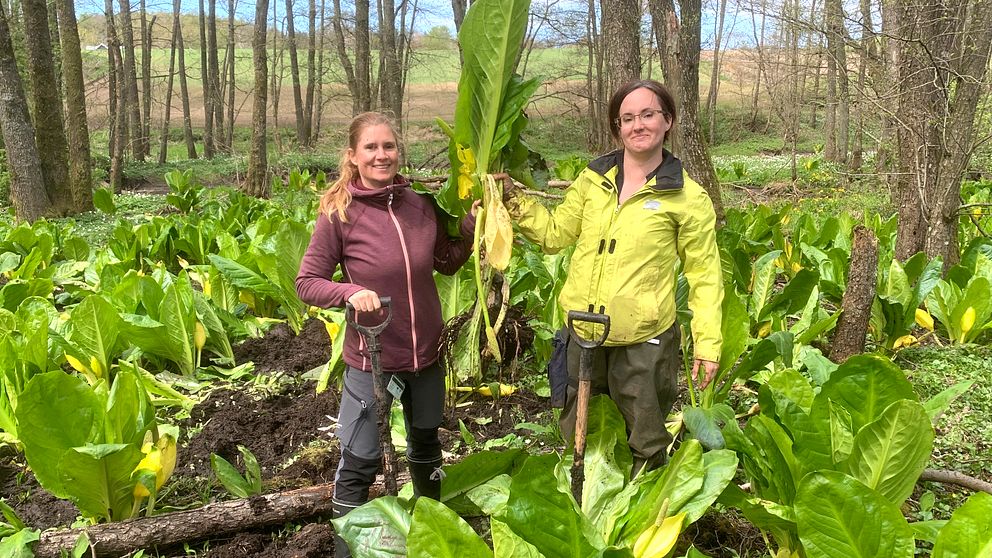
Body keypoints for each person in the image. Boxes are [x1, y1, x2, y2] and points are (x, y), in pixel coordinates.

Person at [503, 79, 723, 475]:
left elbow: (704, 275)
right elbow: (555, 234)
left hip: (643, 338)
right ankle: (587, 504)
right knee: (581, 433)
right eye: (627, 118)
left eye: (647, 114)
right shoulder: (593, 180)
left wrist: (707, 344)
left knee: (645, 433)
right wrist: (512, 201)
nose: (638, 125)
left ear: (667, 121)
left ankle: (641, 512)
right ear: (617, 127)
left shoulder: (687, 196)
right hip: (583, 331)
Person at [295, 112, 477, 558]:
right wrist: (350, 291)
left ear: (399, 151)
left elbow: (448, 261)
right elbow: (307, 282)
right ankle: (345, 547)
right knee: (359, 459)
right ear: (353, 156)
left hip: (426, 355)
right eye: (371, 148)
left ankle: (429, 532)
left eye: (389, 146)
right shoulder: (339, 213)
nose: (382, 155)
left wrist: (472, 227)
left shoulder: (420, 204)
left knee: (426, 441)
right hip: (372, 355)